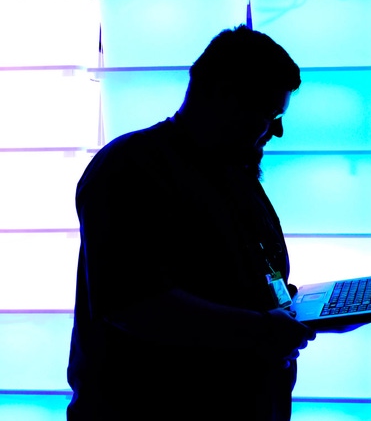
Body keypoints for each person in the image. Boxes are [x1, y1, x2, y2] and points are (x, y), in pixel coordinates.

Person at [67, 25, 319, 420]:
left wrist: (295, 311)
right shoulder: (129, 169)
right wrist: (261, 329)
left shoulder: (232, 170)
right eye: (270, 114)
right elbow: (134, 304)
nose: (278, 131)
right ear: (223, 97)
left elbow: (239, 277)